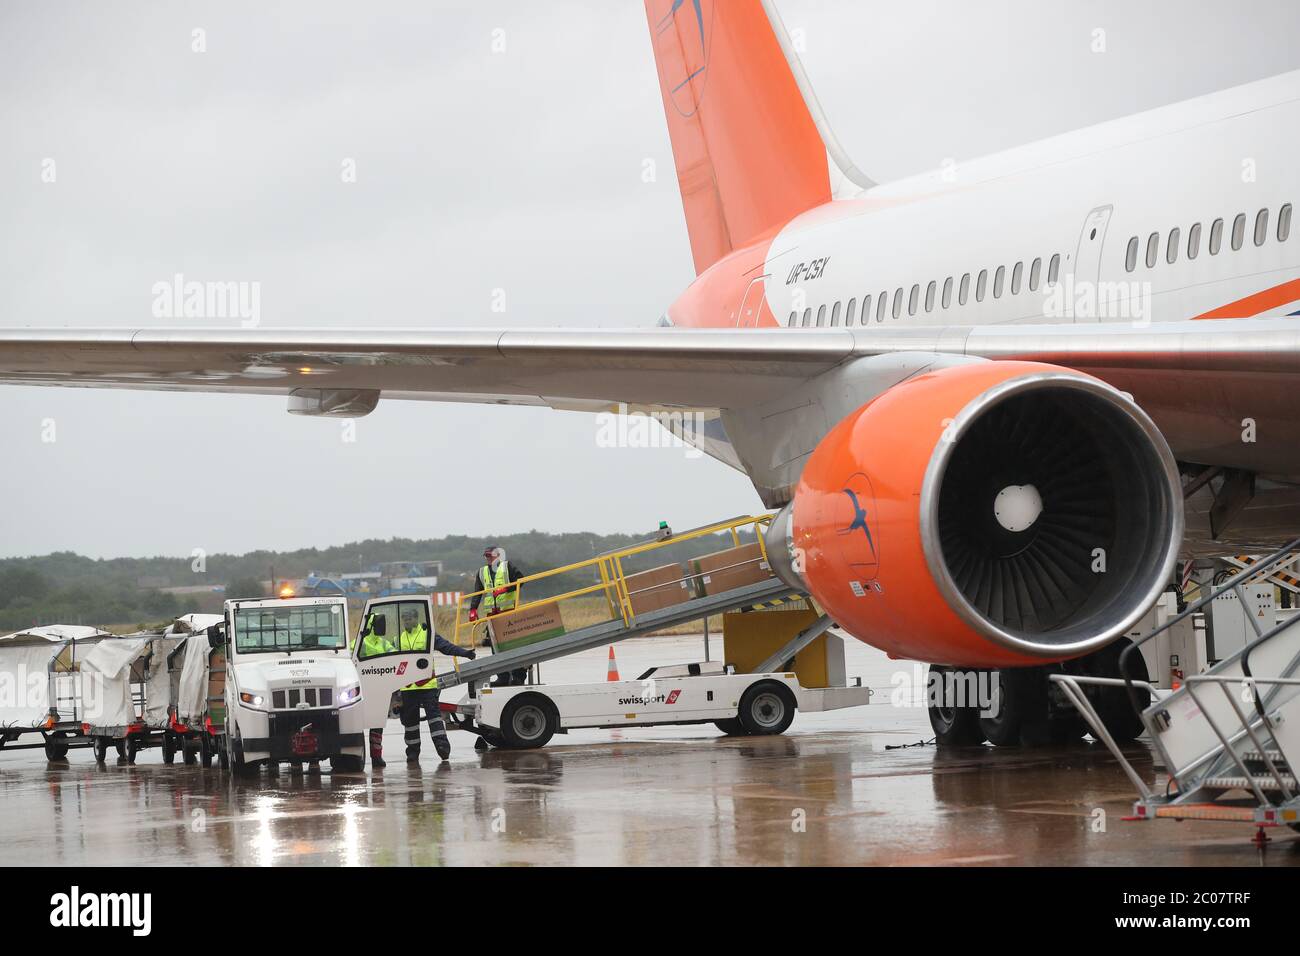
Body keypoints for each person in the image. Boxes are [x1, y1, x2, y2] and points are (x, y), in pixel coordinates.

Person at [396, 606, 475, 763]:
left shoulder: (427, 634)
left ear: (416, 619)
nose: (406, 621)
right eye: (404, 619)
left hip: (427, 686)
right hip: (408, 687)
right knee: (410, 723)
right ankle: (412, 753)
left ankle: (443, 748)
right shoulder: (398, 639)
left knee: (435, 719)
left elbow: (446, 647)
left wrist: (464, 653)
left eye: (409, 618)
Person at [467, 546, 528, 686]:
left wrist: (506, 588)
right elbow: (477, 592)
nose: (488, 558)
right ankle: (503, 677)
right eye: (486, 556)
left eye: (491, 556)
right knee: (496, 649)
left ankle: (518, 676)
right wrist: (473, 609)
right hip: (492, 616)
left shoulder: (507, 567)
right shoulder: (482, 572)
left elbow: (521, 580)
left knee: (513, 646)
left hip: (508, 613)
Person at [358, 611, 396, 768]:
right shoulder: (360, 643)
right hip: (364, 690)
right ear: (372, 625)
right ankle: (357, 757)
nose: (383, 627)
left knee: (377, 726)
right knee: (357, 726)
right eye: (381, 623)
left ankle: (376, 757)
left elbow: (395, 655)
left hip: (380, 690)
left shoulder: (383, 643)